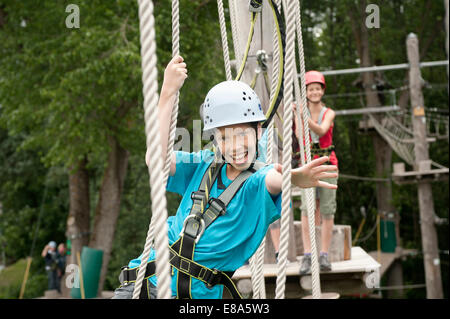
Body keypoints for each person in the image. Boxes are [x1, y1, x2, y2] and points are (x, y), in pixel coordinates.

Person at [112, 56, 337, 299]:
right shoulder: (203, 164)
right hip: (146, 283)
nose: (235, 146)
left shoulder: (256, 181)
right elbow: (154, 160)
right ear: (216, 140)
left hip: (192, 296)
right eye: (225, 138)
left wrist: (292, 178)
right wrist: (167, 93)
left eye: (242, 134)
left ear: (258, 131)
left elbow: (273, 179)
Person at [293, 70, 338, 275]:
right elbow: (298, 135)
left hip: (328, 164)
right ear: (306, 92)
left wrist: (303, 117)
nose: (314, 92)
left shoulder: (328, 113)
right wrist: (296, 115)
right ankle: (309, 255)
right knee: (307, 210)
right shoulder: (301, 111)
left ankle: (324, 254)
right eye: (311, 89)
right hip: (309, 164)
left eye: (317, 89)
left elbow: (321, 130)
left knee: (327, 210)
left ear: (322, 91)